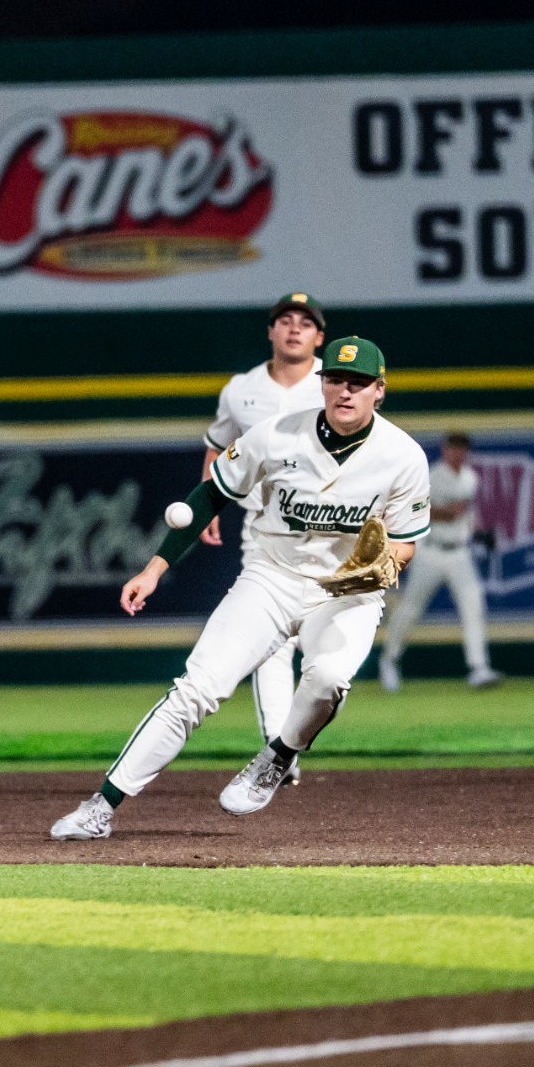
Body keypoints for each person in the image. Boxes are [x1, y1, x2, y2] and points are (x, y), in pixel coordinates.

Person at [51, 337, 428, 839]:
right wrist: (154, 568)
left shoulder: (404, 457)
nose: (345, 391)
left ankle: (279, 755)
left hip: (347, 590)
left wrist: (372, 572)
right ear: (322, 383)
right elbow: (210, 494)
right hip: (271, 578)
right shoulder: (276, 435)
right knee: (195, 690)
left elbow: (403, 548)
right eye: (336, 379)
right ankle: (100, 807)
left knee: (329, 677)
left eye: (358, 383)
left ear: (379, 391)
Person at [199, 292, 325, 777]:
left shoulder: (333, 385)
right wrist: (208, 501)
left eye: (306, 322)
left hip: (332, 532)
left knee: (325, 648)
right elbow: (216, 446)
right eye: (285, 320)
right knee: (273, 643)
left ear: (319, 336)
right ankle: (281, 752)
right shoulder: (241, 389)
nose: (295, 328)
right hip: (265, 530)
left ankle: (291, 737)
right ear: (271, 331)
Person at [379, 432, 500, 690]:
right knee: (411, 608)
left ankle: (478, 668)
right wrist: (448, 513)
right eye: (453, 449)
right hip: (430, 552)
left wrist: (479, 534)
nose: (457, 454)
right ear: (445, 451)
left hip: (459, 552)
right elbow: (417, 510)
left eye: (461, 449)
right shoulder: (432, 476)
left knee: (473, 605)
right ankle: (389, 660)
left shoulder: (470, 478)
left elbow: (465, 516)